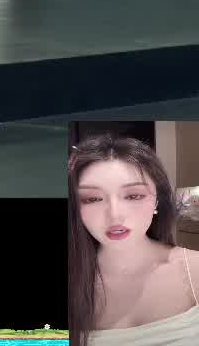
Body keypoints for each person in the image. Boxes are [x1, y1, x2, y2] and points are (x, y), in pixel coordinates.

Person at [69, 134, 199, 346]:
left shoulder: (195, 270)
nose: (115, 215)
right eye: (92, 199)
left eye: (133, 196)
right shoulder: (74, 279)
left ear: (157, 201)